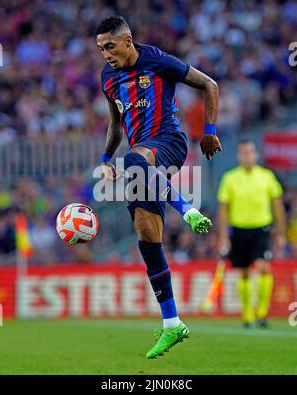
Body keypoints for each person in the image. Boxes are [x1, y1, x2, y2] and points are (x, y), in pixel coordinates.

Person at [96, 16, 221, 359]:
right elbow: (116, 124)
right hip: (141, 161)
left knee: (134, 162)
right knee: (145, 235)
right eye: (100, 48)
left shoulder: (158, 60)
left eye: (110, 46)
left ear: (128, 41)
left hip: (168, 142)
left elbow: (209, 84)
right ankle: (172, 324)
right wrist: (105, 158)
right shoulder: (108, 77)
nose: (105, 53)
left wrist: (209, 130)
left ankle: (188, 209)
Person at [217, 140, 286, 328]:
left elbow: (277, 205)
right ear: (238, 156)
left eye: (249, 152)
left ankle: (262, 313)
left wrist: (280, 232)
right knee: (244, 273)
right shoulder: (229, 178)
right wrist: (223, 236)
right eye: (243, 153)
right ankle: (247, 314)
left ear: (256, 154)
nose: (246, 156)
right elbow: (223, 208)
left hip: (261, 228)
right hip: (239, 230)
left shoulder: (267, 176)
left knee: (264, 267)